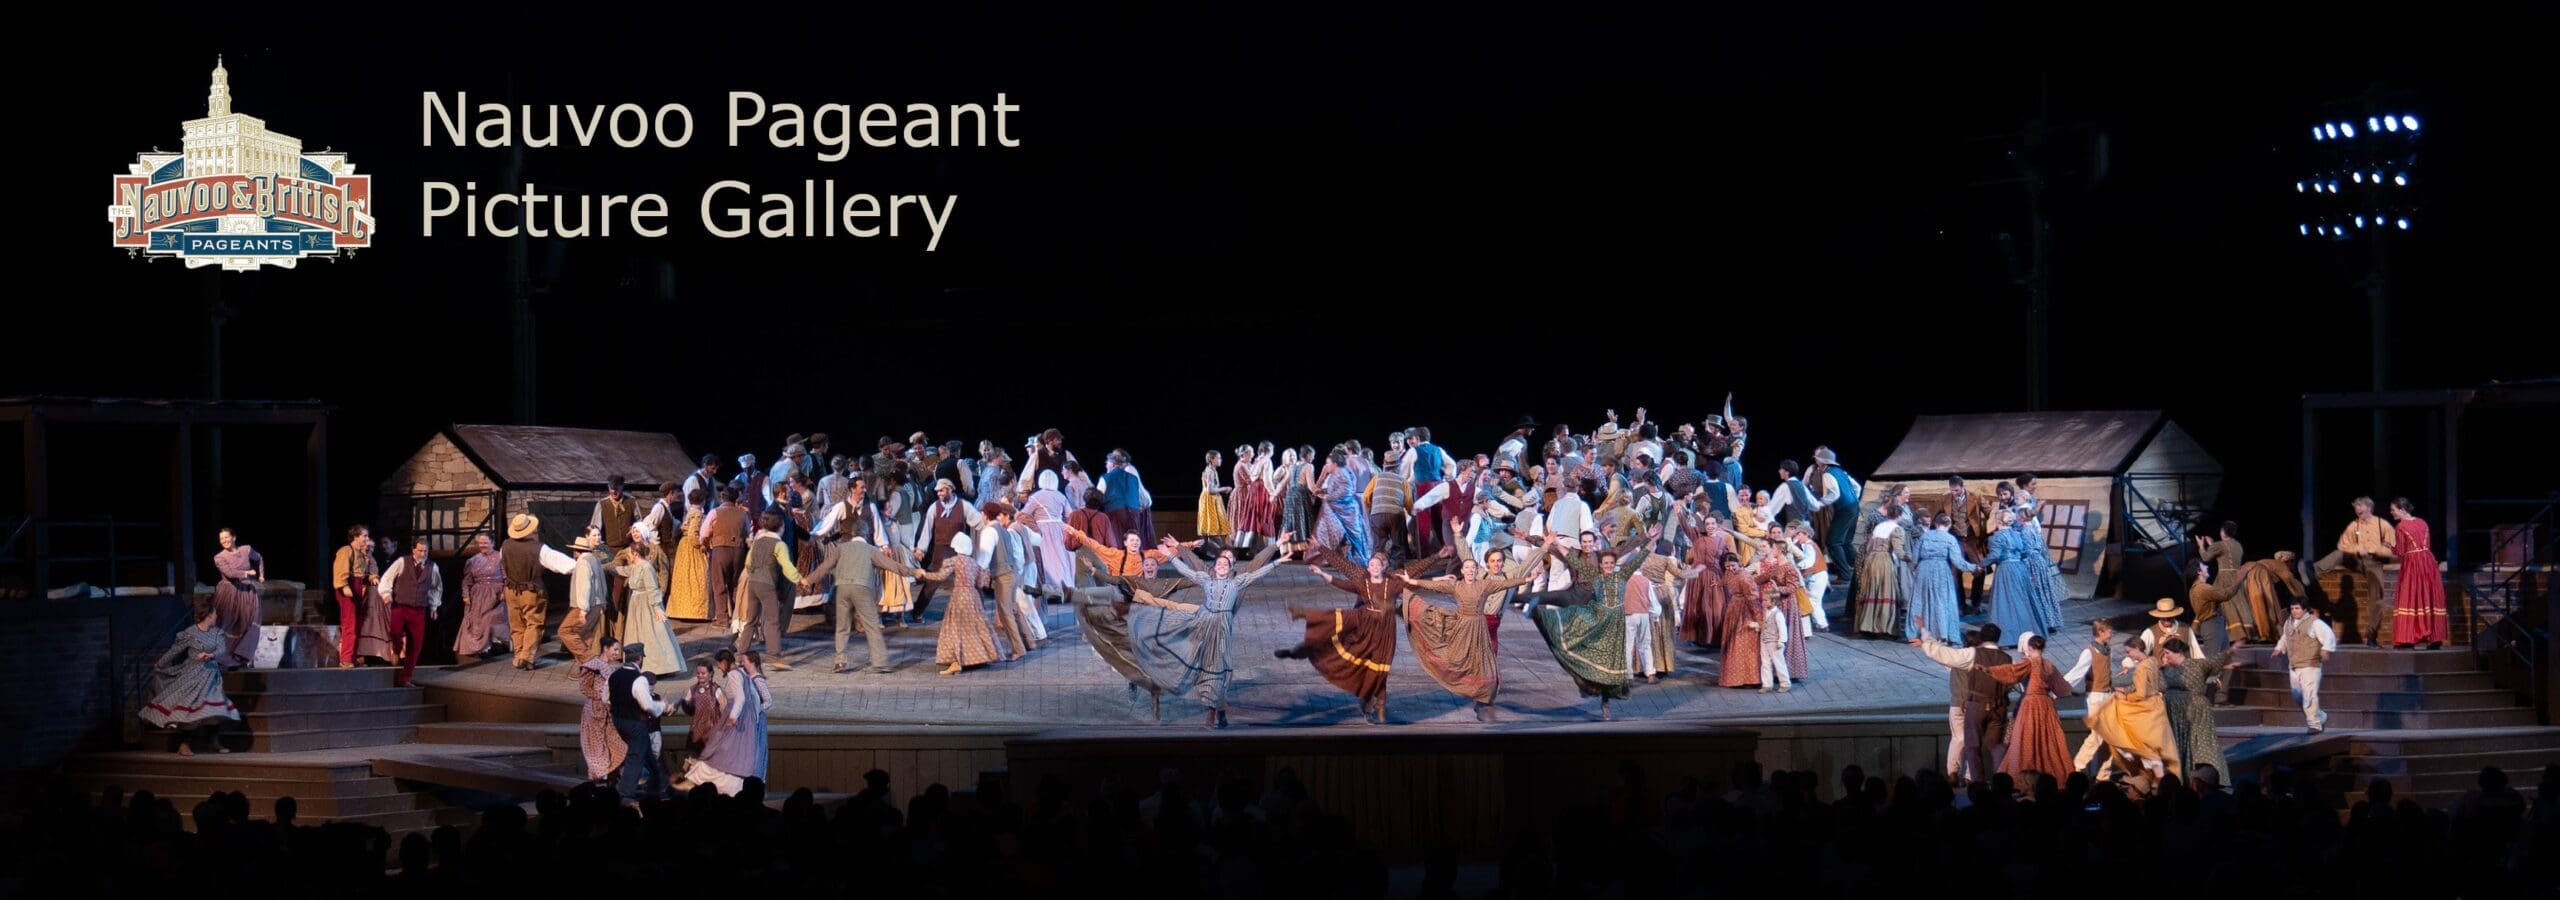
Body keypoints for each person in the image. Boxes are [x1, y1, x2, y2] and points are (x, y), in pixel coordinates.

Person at [1138, 534, 1290, 727]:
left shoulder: (1237, 581)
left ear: (1231, 567)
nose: (1222, 565)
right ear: (1214, 567)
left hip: (1223, 627)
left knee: (1218, 668)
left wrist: (1277, 562)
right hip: (1204, 622)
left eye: (1226, 563)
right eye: (1219, 563)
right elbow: (1186, 569)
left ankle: (1217, 710)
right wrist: (1170, 555)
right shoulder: (1206, 579)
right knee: (1198, 661)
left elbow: (1257, 572)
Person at [1400, 550, 1542, 722]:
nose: (1470, 571)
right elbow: (1433, 586)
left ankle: (1484, 701)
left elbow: (1506, 584)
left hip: (1479, 628)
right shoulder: (1456, 586)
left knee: (1484, 663)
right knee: (1456, 659)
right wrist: (1412, 581)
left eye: (1473, 568)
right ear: (1462, 571)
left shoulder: (1484, 584)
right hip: (1461, 627)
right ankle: (1465, 687)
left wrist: (1527, 579)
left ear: (1476, 571)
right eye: (1466, 568)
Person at [1527, 543, 1648, 721]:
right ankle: (1587, 684)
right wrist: (1557, 544)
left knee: (1610, 667)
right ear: (1601, 565)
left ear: (1614, 564)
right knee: (1591, 657)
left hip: (1615, 629)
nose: (1608, 566)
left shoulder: (1622, 575)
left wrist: (1651, 540)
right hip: (1599, 624)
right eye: (1605, 563)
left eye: (1611, 563)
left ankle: (1605, 703)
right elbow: (1575, 562)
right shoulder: (1595, 577)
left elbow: (1639, 558)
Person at [800, 513, 905, 674]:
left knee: (842, 627)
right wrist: (913, 571)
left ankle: (840, 661)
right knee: (871, 626)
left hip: (842, 588)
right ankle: (879, 663)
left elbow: (824, 567)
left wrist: (808, 580)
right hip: (862, 589)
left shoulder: (841, 548)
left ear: (853, 534)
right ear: (866, 534)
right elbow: (892, 565)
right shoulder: (871, 550)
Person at [1914, 622, 2010, 785]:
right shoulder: (2006, 658)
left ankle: (1974, 781)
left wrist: (1925, 641)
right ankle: (2000, 781)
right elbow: (2012, 680)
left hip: (1976, 704)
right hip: (1998, 707)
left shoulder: (1972, 654)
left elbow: (1945, 654)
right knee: (1995, 745)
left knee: (1971, 744)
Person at [141, 600, 239, 755]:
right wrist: (160, 663)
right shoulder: (190, 633)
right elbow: (175, 650)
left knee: (215, 708)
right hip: (192, 675)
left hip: (211, 677)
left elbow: (222, 649)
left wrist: (210, 655)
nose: (216, 616)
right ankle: (184, 743)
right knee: (191, 709)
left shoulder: (217, 632)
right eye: (214, 614)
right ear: (208, 615)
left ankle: (214, 741)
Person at [902, 533, 1003, 675]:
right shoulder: (973, 563)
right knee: (974, 627)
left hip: (960, 596)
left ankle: (957, 662)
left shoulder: (955, 561)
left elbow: (940, 576)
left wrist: (925, 574)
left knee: (955, 628)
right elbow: (980, 584)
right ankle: (978, 656)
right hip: (973, 596)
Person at [499, 514, 578, 670]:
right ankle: (526, 656)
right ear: (529, 530)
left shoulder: (505, 546)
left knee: (517, 624)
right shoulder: (539, 549)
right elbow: (563, 564)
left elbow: (503, 563)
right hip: (531, 592)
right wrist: (581, 564)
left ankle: (519, 656)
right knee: (534, 623)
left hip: (511, 590)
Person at [2313, 497, 2397, 645]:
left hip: (2375, 562)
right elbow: (2342, 544)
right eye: (2356, 507)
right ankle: (2314, 571)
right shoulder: (2354, 525)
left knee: (2377, 599)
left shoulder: (2382, 524)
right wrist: (2358, 548)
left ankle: (2371, 635)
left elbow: (2393, 547)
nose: (2357, 509)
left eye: (2360, 506)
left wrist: (2376, 550)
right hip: (2357, 560)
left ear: (2369, 507)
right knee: (2339, 554)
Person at [2161, 636, 2243, 781]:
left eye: (2167, 653)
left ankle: (2212, 777)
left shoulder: (2198, 664)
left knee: (2202, 743)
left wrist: (2231, 650)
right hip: (2175, 713)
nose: (2165, 657)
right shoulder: (2165, 670)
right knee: (2179, 744)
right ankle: (2183, 777)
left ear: (2178, 652)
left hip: (2197, 711)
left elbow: (2216, 660)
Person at [612, 528, 683, 677]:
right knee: (637, 634)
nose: (629, 555)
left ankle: (659, 668)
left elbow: (652, 588)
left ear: (635, 554)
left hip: (647, 605)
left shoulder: (646, 567)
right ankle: (637, 665)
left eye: (630, 553)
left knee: (652, 635)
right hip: (636, 604)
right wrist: (600, 566)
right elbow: (621, 570)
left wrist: (657, 607)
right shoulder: (635, 567)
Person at [1986, 507, 2064, 642]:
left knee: (2035, 593)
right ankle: (2048, 621)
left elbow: (2026, 550)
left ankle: (2041, 622)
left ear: (2021, 518)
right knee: (2042, 592)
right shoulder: (2033, 529)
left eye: (2018, 517)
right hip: (2039, 561)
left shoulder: (2024, 532)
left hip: (2031, 563)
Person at [375, 537, 443, 688]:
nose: (423, 554)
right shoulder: (402, 562)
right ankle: (396, 649)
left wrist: (434, 607)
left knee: (416, 645)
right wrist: (386, 593)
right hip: (400, 606)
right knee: (395, 632)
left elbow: (436, 588)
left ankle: (405, 677)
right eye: (420, 551)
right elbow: (387, 577)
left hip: (419, 610)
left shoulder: (433, 567)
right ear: (413, 550)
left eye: (425, 551)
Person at [735, 512, 801, 662]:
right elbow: (787, 566)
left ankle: (741, 653)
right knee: (773, 619)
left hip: (753, 582)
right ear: (781, 527)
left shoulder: (758, 541)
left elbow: (748, 563)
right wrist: (799, 579)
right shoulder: (779, 544)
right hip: (767, 583)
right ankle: (773, 655)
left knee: (751, 620)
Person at [608, 642, 666, 804]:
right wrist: (662, 706)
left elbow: (607, 698)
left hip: (618, 720)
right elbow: (647, 706)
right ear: (640, 658)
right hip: (634, 723)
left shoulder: (614, 675)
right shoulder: (639, 679)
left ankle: (658, 784)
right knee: (635, 756)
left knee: (646, 753)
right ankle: (625, 792)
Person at [2387, 497, 2449, 649]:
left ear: (2402, 509)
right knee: (2428, 596)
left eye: (2393, 510)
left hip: (2413, 563)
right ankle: (2435, 638)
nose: (2391, 512)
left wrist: (2389, 546)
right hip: (2428, 561)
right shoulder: (2422, 522)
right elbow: (2426, 544)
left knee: (2410, 596)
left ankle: (2407, 639)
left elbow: (2401, 551)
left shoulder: (2401, 526)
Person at [2270, 598, 2337, 733]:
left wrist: (2326, 649)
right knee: (2297, 696)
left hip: (2310, 664)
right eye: (2292, 608)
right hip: (2294, 664)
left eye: (2297, 608)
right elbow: (2285, 637)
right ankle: (2320, 716)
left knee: (2309, 695)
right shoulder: (2288, 623)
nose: (2294, 611)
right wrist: (2279, 648)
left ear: (2305, 609)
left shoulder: (2314, 623)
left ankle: (2314, 724)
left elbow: (2328, 635)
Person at [1907, 513, 1975, 643]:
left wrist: (1913, 568)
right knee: (1941, 600)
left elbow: (1915, 558)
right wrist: (1973, 568)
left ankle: (1916, 633)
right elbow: (1958, 562)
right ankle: (1941, 633)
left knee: (1921, 600)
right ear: (1949, 525)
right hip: (1941, 570)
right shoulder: (1950, 539)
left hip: (1923, 570)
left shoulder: (1925, 536)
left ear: (1935, 524)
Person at [2063, 619, 2121, 775]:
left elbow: (2105, 672)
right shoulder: (2089, 652)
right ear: (2101, 632)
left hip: (2107, 695)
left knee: (2109, 737)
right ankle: (2077, 766)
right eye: (2109, 632)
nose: (2111, 634)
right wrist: (2059, 689)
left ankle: (2102, 774)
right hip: (2095, 697)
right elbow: (2077, 672)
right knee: (2097, 735)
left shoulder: (2106, 649)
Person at [1851, 503, 1910, 638]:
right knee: (1886, 591)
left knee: (1872, 591)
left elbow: (1868, 546)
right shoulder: (1897, 529)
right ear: (1899, 516)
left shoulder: (1879, 526)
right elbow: (1899, 552)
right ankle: (1885, 628)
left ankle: (1868, 626)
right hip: (1884, 561)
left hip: (1870, 560)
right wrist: (1910, 559)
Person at [208, 528, 264, 668]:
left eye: (226, 537)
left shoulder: (246, 550)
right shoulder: (219, 557)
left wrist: (261, 575)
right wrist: (247, 572)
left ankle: (239, 658)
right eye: (221, 539)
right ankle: (220, 657)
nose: (224, 541)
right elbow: (230, 573)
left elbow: (259, 558)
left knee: (248, 622)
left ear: (234, 537)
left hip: (247, 592)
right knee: (226, 623)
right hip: (229, 592)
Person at [575, 639, 628, 784]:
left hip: (609, 711)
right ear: (605, 648)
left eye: (618, 650)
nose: (617, 653)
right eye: (615, 649)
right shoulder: (593, 665)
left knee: (614, 742)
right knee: (596, 745)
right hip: (595, 710)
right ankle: (598, 776)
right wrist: (601, 696)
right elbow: (584, 688)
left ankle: (611, 775)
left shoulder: (610, 668)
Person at [330, 525, 379, 668]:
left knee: (357, 624)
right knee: (349, 624)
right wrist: (344, 586)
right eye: (364, 536)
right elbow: (340, 570)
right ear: (356, 537)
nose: (367, 539)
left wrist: (371, 578)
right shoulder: (346, 551)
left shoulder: (361, 554)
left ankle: (352, 656)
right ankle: (346, 659)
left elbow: (363, 573)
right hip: (348, 588)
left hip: (357, 588)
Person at [453, 532, 508, 657]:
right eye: (481, 543)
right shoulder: (473, 560)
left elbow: (507, 577)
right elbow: (467, 581)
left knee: (490, 619)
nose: (483, 545)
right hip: (478, 596)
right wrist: (466, 595)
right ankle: (482, 649)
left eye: (486, 543)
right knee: (477, 622)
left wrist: (504, 592)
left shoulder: (500, 558)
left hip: (496, 595)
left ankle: (496, 646)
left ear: (492, 543)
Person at [667, 489, 713, 621]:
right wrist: (702, 544)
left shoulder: (689, 511)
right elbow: (693, 534)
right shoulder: (697, 514)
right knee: (697, 577)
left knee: (685, 577)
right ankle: (694, 612)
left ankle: (682, 610)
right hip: (692, 547)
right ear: (702, 501)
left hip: (684, 545)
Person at [1757, 587, 1792, 694]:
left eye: (1766, 600)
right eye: (1763, 600)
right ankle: (1767, 684)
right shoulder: (1765, 612)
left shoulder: (1778, 614)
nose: (1763, 602)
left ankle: (1785, 683)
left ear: (1773, 601)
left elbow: (1782, 629)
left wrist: (1781, 641)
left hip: (1774, 642)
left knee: (1779, 663)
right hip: (1764, 640)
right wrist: (1757, 626)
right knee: (1765, 663)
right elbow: (1765, 625)